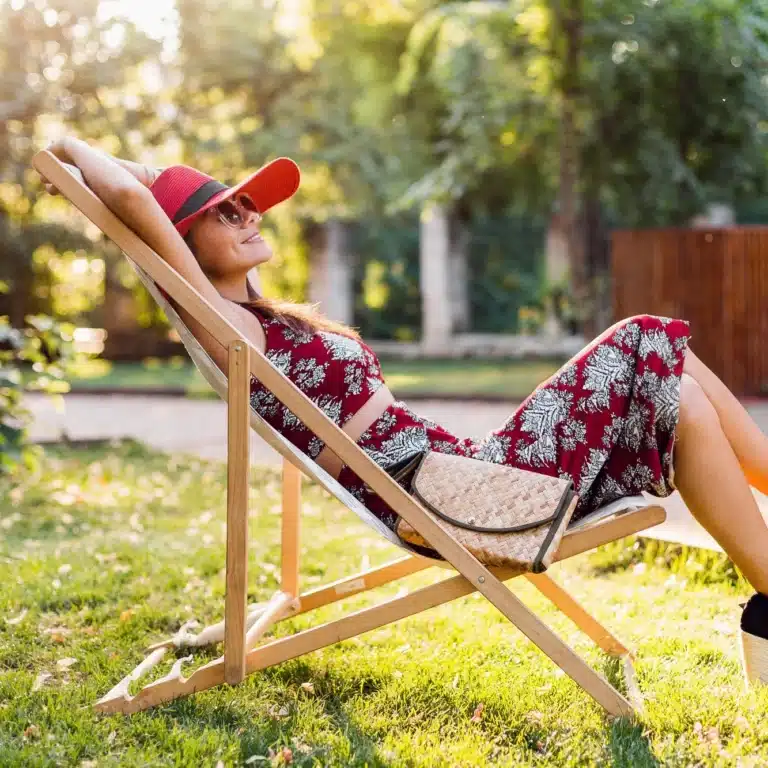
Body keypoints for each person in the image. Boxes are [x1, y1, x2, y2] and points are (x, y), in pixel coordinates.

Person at [40, 137, 768, 683]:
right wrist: (67, 146)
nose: (247, 211)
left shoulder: (262, 320)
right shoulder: (228, 327)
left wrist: (161, 180)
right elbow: (135, 206)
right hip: (447, 497)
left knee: (682, 399)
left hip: (458, 474)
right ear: (183, 246)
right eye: (220, 211)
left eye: (246, 201)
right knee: (643, 338)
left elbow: (144, 190)